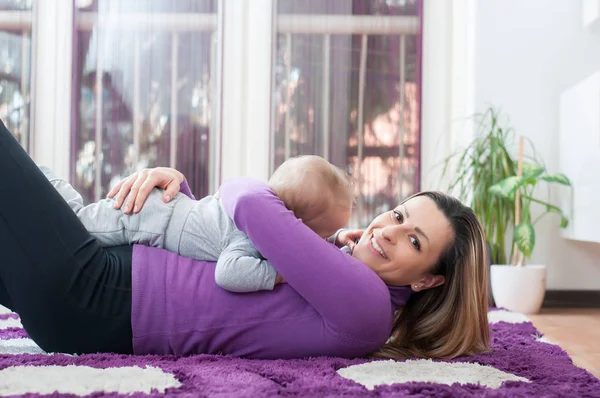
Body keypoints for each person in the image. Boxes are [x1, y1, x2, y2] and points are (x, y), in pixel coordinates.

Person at [0, 120, 490, 359]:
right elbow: (238, 228)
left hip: (97, 295)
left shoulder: (367, 307)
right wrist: (184, 196)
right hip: (99, 285)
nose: (387, 230)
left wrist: (226, 192)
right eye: (398, 214)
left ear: (428, 280)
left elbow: (250, 200)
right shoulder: (345, 277)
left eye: (414, 241)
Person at [39, 155, 356, 293]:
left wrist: (338, 239)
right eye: (322, 234)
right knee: (75, 224)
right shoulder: (251, 234)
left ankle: (39, 179)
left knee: (77, 219)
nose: (318, 242)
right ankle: (39, 176)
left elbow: (310, 245)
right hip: (147, 219)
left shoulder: (259, 210)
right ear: (294, 222)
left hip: (164, 210)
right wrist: (276, 275)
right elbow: (228, 273)